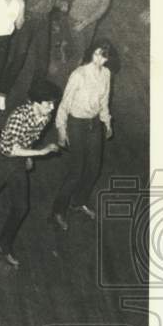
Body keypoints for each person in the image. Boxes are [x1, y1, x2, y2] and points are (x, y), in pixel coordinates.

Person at [0, 81, 63, 267]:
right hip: (3, 160)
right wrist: (39, 153)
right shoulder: (19, 116)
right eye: (48, 103)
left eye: (53, 103)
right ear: (35, 103)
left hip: (19, 160)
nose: (52, 107)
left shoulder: (44, 116)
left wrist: (28, 155)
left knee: (21, 207)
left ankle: (2, 245)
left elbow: (28, 140)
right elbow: (11, 149)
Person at [51, 40, 115, 230]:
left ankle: (78, 202)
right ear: (90, 53)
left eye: (103, 56)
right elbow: (65, 103)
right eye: (96, 54)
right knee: (76, 171)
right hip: (76, 123)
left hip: (94, 123)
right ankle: (57, 212)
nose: (99, 60)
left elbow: (105, 100)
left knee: (94, 168)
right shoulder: (79, 74)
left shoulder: (106, 74)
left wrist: (107, 122)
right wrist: (61, 130)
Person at [0, 0, 65, 105]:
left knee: (42, 61)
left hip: (44, 21)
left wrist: (61, 3)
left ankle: (34, 95)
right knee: (19, 57)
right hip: (29, 19)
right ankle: (2, 91)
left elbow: (52, 0)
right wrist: (20, 13)